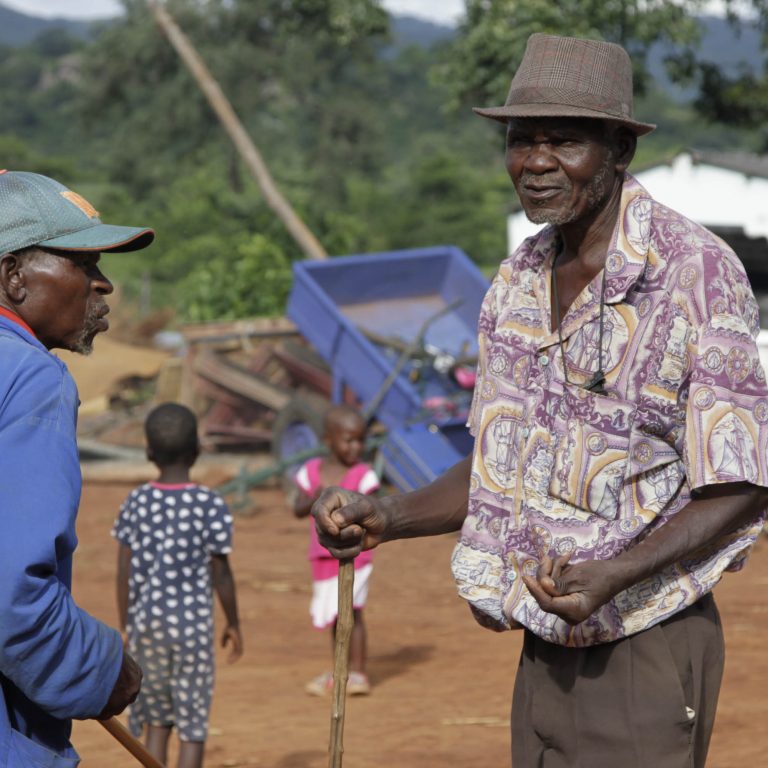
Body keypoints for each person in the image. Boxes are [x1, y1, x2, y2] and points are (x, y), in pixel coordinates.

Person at [312, 34, 768, 768]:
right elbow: (505, 466)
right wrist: (388, 516)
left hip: (644, 643)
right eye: (522, 141)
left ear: (620, 150)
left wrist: (614, 574)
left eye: (565, 141)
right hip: (544, 643)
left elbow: (741, 484)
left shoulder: (696, 275)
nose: (535, 163)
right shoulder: (519, 282)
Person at [0, 170, 152, 766]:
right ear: (13, 276)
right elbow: (11, 592)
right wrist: (100, 669)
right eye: (82, 264)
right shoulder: (29, 377)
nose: (103, 283)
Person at [113, 402, 243, 768]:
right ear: (198, 451)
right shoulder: (210, 503)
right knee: (193, 726)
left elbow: (123, 571)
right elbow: (222, 574)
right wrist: (233, 623)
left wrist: (125, 626)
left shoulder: (136, 502)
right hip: (193, 633)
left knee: (156, 721)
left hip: (147, 629)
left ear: (149, 452)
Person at [293, 404, 379, 697]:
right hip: (323, 555)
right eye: (348, 439)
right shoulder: (312, 472)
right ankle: (339, 668)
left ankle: (357, 672)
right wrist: (316, 496)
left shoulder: (363, 475)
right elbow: (297, 507)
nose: (356, 446)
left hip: (357, 555)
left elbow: (375, 513)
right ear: (328, 438)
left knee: (352, 612)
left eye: (360, 439)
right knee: (334, 614)